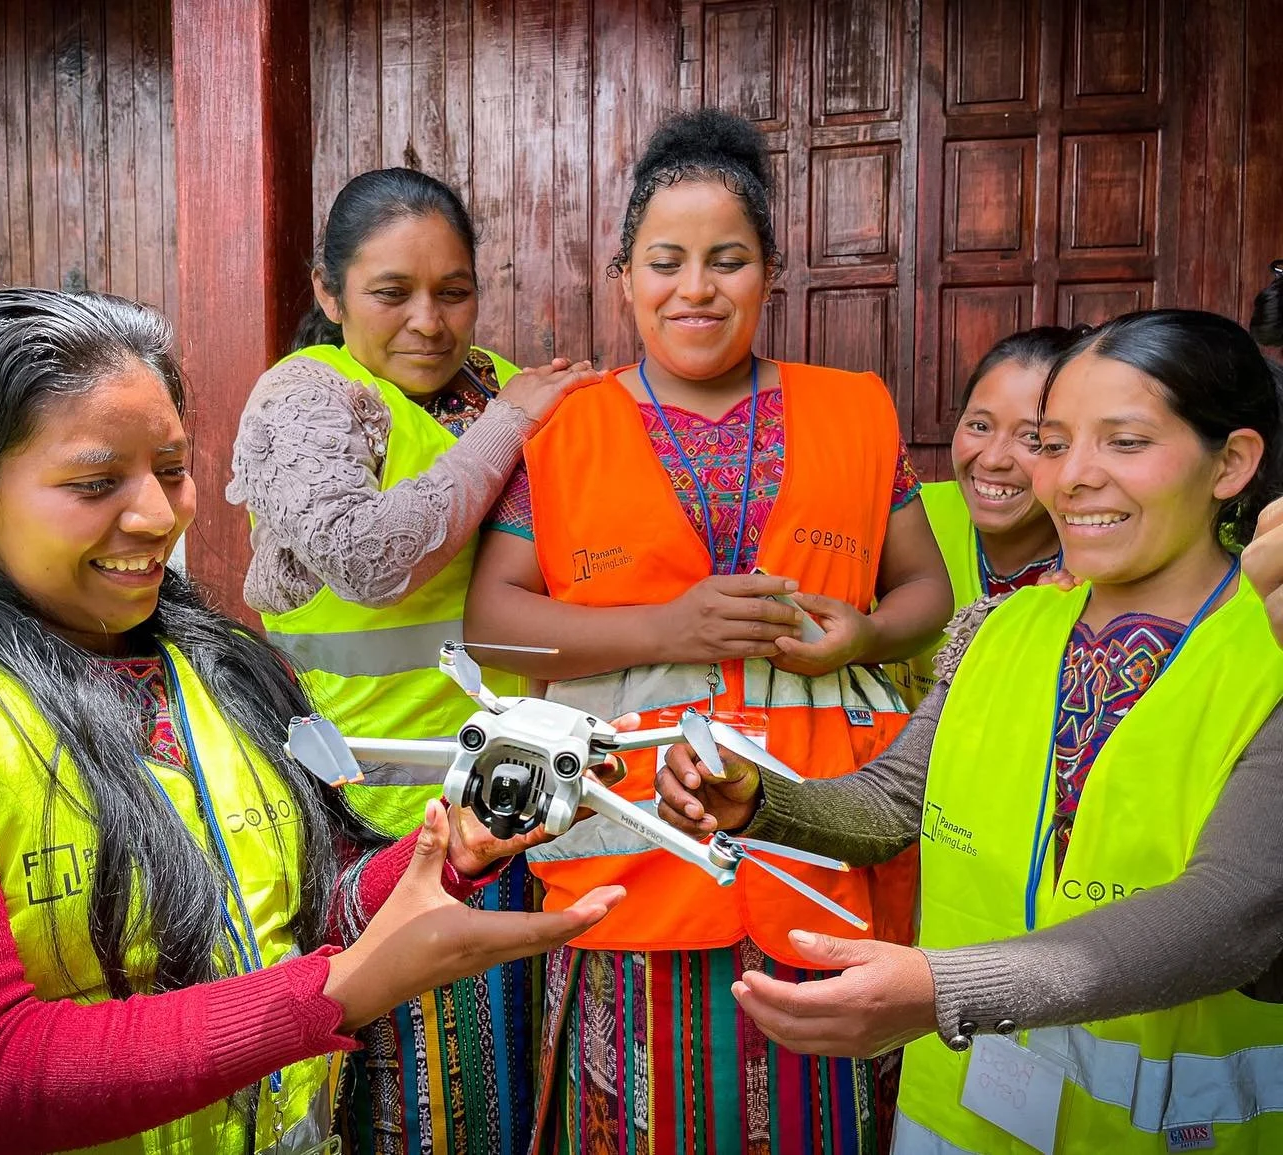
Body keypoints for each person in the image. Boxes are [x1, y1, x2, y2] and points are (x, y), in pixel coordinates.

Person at [0, 288, 623, 1155]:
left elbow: (299, 912)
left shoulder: (217, 667)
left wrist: (456, 846)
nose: (160, 515)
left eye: (172, 469)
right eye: (97, 482)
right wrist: (341, 990)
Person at [657, 308, 1283, 1153]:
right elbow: (895, 801)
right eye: (1055, 443)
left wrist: (942, 988)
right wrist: (759, 799)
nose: (1075, 477)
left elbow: (1233, 912)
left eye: (1126, 442)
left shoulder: (1269, 647)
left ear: (1232, 462)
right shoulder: (1000, 625)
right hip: (959, 1118)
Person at [465, 108, 953, 1153]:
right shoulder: (564, 428)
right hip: (624, 847)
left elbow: (928, 594)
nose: (696, 288)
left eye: (727, 261)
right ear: (623, 275)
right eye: (667, 261)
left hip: (817, 845)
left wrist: (862, 636)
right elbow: (494, 621)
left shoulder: (855, 411)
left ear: (770, 273)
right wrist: (668, 623)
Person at [228, 168, 598, 1154]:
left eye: (454, 290)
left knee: (512, 1076)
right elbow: (373, 557)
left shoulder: (491, 380)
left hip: (508, 799)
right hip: (366, 816)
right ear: (328, 291)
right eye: (393, 292)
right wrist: (517, 421)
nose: (429, 320)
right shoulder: (308, 395)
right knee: (406, 1091)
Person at [892, 327, 1080, 705]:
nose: (993, 459)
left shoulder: (1103, 560)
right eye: (979, 426)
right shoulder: (906, 516)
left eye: (1032, 439)